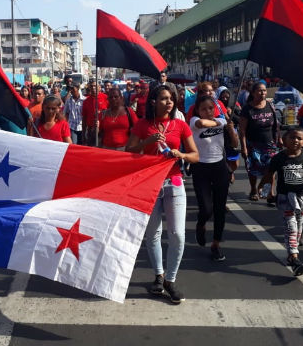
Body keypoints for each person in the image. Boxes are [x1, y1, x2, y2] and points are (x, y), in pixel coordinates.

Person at [125, 84, 199, 304]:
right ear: (153, 102)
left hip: (174, 183)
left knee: (177, 234)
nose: (169, 103)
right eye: (164, 99)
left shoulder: (180, 125)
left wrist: (181, 155)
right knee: (153, 233)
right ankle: (159, 275)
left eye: (171, 99)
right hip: (149, 185)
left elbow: (196, 155)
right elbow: (129, 152)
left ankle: (171, 279)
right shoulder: (142, 124)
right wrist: (147, 142)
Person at [259, 128, 303, 276]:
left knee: (299, 227)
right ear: (285, 141)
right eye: (292, 138)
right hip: (285, 198)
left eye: (299, 138)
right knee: (291, 227)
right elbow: (269, 175)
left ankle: (293, 252)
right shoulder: (279, 158)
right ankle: (294, 257)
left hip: (302, 198)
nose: (295, 140)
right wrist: (264, 190)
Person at [189, 95, 238, 261]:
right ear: (198, 110)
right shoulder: (194, 121)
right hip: (200, 167)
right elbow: (202, 124)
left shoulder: (223, 121)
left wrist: (230, 129)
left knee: (219, 209)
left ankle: (216, 244)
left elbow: (235, 143)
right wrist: (222, 122)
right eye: (204, 108)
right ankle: (201, 224)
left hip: (219, 167)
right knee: (206, 209)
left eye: (211, 108)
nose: (208, 111)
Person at [239, 81, 280, 203]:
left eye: (264, 90)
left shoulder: (270, 105)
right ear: (253, 93)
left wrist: (279, 138)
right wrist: (244, 147)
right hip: (253, 144)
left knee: (271, 169)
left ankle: (269, 193)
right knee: (253, 169)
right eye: (260, 90)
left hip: (270, 143)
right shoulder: (247, 109)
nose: (263, 93)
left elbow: (276, 124)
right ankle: (253, 190)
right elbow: (242, 130)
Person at [82, 80, 108, 146]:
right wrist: (83, 133)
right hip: (91, 130)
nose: (93, 88)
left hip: (103, 129)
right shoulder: (86, 101)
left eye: (95, 86)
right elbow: (84, 118)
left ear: (99, 87)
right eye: (91, 86)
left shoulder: (106, 98)